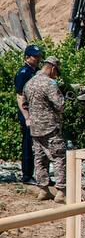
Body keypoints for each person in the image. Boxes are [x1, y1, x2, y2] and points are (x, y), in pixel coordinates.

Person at [22, 55, 65, 202]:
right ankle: (61, 192)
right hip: (50, 127)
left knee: (39, 159)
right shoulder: (49, 84)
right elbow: (60, 105)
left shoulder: (29, 83)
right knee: (59, 157)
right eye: (56, 72)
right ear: (52, 68)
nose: (56, 75)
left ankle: (43, 190)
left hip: (35, 128)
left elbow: (24, 104)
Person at [14, 45, 42, 185]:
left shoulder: (36, 71)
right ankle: (27, 175)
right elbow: (20, 96)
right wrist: (27, 117)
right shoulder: (23, 72)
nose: (37, 59)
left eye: (38, 56)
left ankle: (38, 174)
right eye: (35, 56)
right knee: (28, 144)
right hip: (27, 114)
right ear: (27, 57)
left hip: (37, 113)